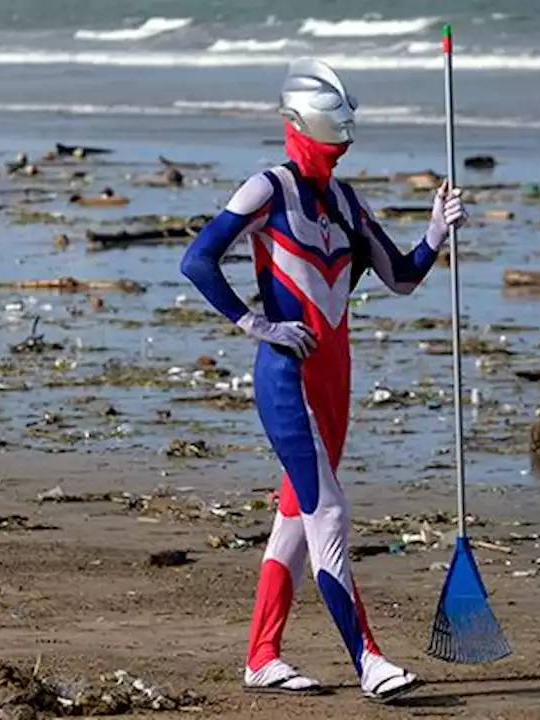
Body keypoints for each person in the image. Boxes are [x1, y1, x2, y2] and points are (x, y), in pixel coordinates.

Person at [178, 58, 466, 702]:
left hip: (338, 379)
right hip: (288, 377)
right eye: (334, 133)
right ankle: (368, 660)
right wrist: (255, 325)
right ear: (303, 124)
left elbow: (401, 276)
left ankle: (261, 656)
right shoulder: (266, 189)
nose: (341, 145)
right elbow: (196, 260)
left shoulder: (346, 202)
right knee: (328, 512)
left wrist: (435, 231)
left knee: (295, 520)